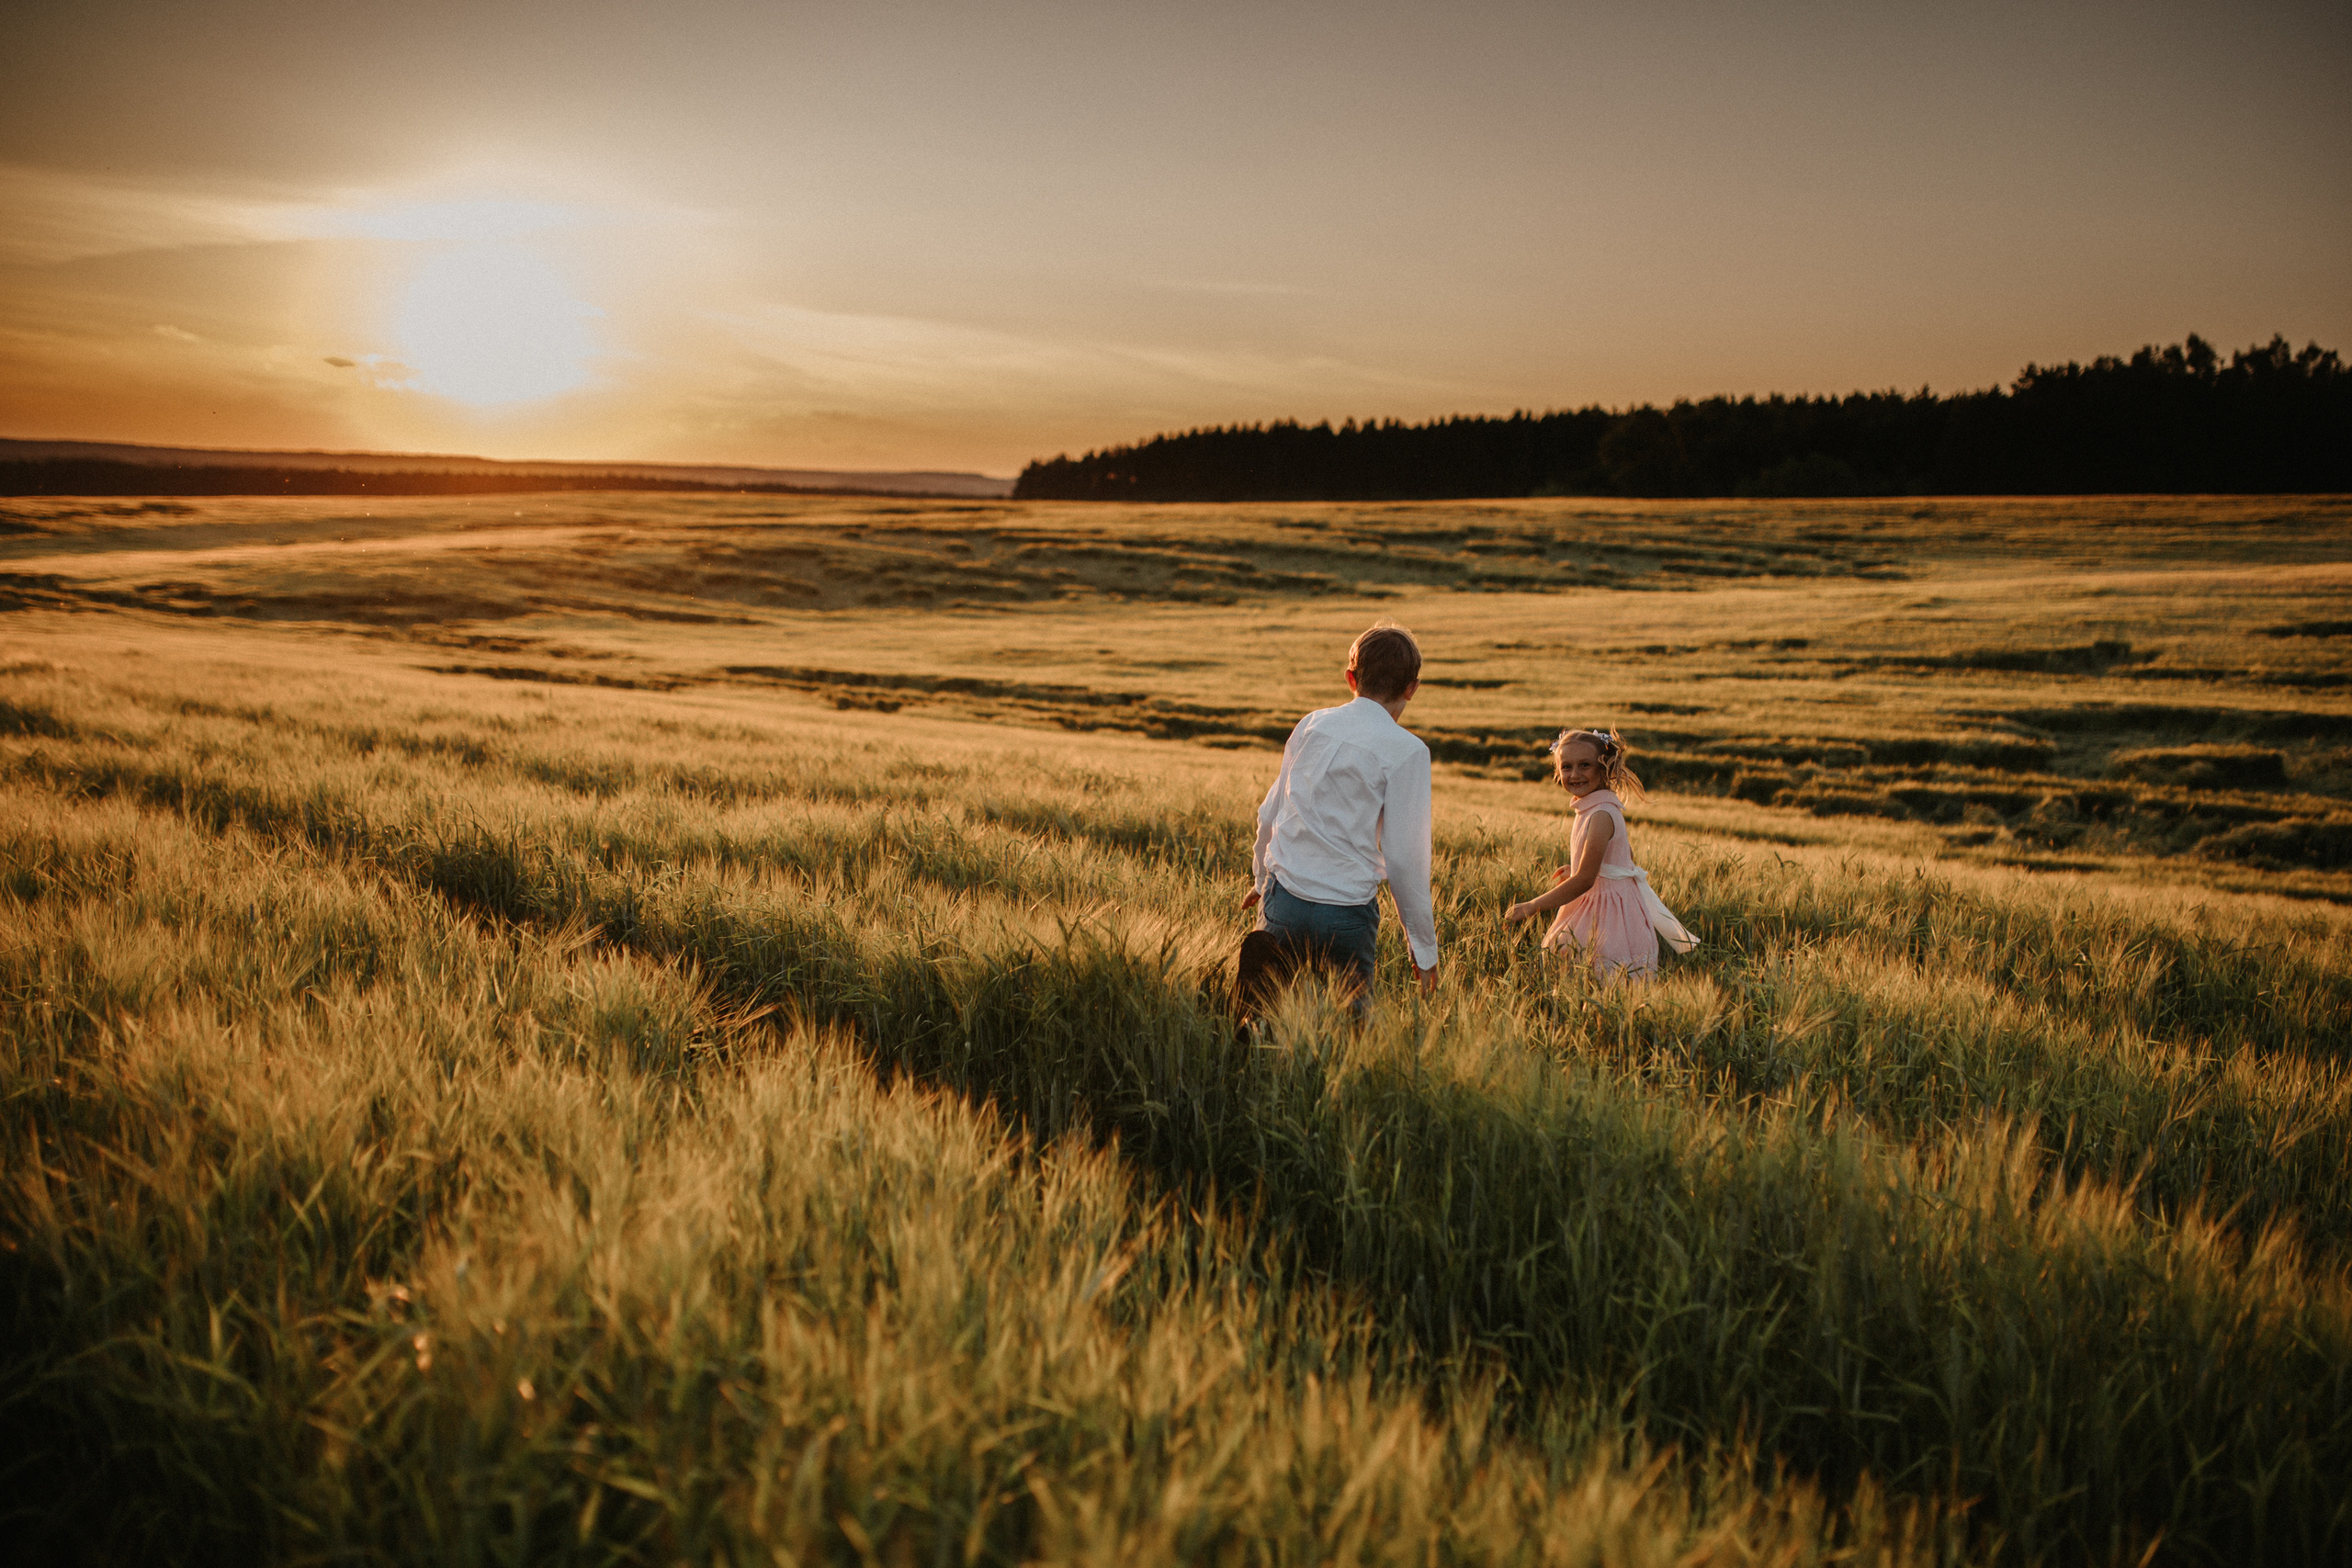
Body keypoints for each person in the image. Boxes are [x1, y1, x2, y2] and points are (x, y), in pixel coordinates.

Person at [1244, 621, 1440, 1010]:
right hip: (1347, 914)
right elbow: (1404, 858)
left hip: (1284, 901)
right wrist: (1422, 945)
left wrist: (1262, 878)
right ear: (1412, 688)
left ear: (1351, 678)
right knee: (1350, 1026)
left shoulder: (1313, 724)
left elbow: (1271, 812)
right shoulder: (1409, 751)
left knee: (1265, 1014)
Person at [1503, 728, 1695, 977]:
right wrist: (1586, 868)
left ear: (1604, 768)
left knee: (1598, 973)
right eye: (1566, 767)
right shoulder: (1596, 807)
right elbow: (1624, 859)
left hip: (1609, 915)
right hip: (1607, 901)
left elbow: (1585, 880)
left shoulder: (1601, 814)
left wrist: (1532, 905)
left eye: (1585, 765)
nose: (1574, 774)